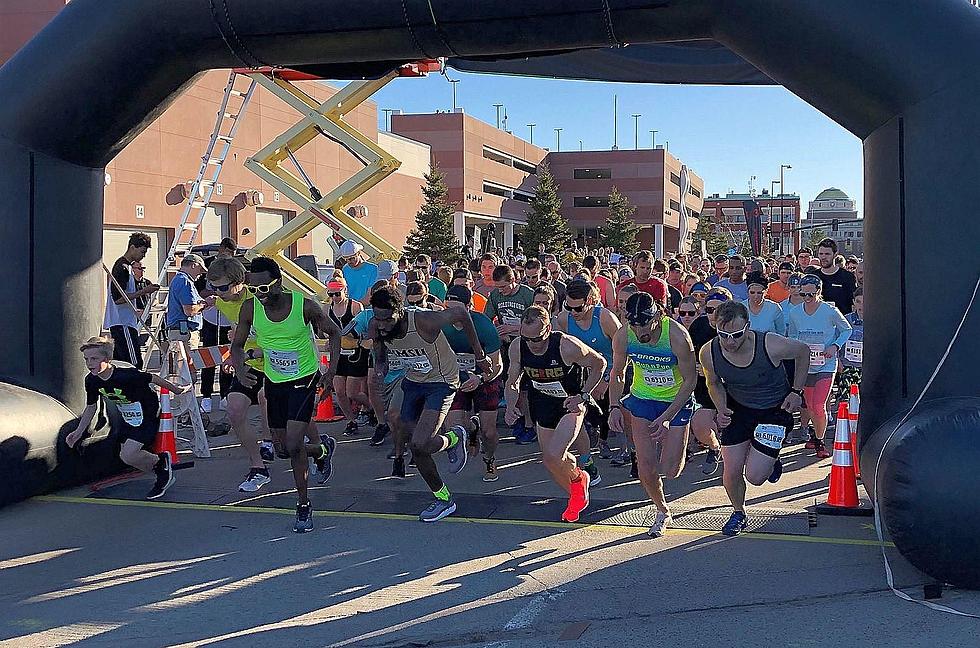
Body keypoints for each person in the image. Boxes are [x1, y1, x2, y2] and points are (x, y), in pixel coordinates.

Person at [231, 256, 341, 533]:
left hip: (304, 379)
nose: (260, 296)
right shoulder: (249, 308)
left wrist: (330, 374)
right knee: (282, 450)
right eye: (253, 290)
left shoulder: (303, 306)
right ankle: (322, 448)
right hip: (275, 381)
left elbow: (334, 333)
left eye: (264, 289)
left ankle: (303, 505)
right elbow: (237, 346)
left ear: (278, 283)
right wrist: (240, 367)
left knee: (293, 445)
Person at [368, 286, 490, 521]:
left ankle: (446, 491)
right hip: (413, 380)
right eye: (378, 318)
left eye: (387, 319)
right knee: (407, 434)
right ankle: (453, 449)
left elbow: (462, 315)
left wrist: (480, 355)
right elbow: (379, 349)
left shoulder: (424, 321)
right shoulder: (377, 326)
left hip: (441, 381)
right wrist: (381, 369)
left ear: (400, 311)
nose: (381, 324)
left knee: (419, 445)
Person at [700, 301, 810, 536]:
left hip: (774, 409)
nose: (730, 342)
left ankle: (769, 458)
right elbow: (713, 382)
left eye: (737, 335)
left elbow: (803, 351)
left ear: (748, 327)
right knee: (731, 469)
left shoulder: (769, 343)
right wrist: (721, 409)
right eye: (724, 335)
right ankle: (738, 512)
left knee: (756, 477)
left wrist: (797, 391)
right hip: (739, 408)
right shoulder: (708, 352)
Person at [505, 305, 607, 522]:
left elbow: (600, 363)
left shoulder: (567, 346)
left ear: (548, 329)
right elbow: (512, 381)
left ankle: (578, 486)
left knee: (554, 454)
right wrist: (511, 405)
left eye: (537, 339)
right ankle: (578, 485)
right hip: (543, 403)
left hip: (570, 404)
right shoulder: (518, 347)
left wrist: (583, 395)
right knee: (550, 461)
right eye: (527, 338)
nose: (532, 345)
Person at [608, 291, 697, 537]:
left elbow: (690, 380)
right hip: (643, 400)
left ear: (657, 315)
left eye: (644, 324)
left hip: (675, 401)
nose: (639, 331)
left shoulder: (677, 336)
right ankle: (662, 510)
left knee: (671, 470)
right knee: (645, 467)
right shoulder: (624, 335)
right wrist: (614, 406)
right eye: (634, 325)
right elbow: (617, 373)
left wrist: (668, 416)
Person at [66, 336, 190, 500]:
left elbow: (152, 378)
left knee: (128, 455)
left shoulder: (126, 375)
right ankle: (160, 464)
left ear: (107, 359)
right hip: (128, 417)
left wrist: (176, 390)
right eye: (86, 359)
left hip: (148, 413)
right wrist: (79, 431)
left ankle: (161, 466)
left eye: (94, 359)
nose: (90, 363)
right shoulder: (91, 380)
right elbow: (91, 406)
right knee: (126, 456)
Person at [206, 257, 277, 491]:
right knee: (234, 409)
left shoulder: (258, 299)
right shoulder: (221, 303)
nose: (218, 293)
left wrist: (254, 350)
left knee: (268, 401)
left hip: (276, 362)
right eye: (213, 287)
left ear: (240, 283)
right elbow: (238, 330)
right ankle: (258, 467)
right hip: (250, 362)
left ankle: (317, 445)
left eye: (223, 287)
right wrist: (231, 355)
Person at [556, 278, 620, 470]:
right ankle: (587, 439)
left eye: (578, 308)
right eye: (569, 307)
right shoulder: (563, 319)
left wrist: (607, 380)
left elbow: (623, 352)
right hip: (581, 374)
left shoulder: (605, 318)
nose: (573, 313)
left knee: (610, 405)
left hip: (610, 370)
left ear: (591, 301)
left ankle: (608, 439)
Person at [786, 274, 852, 458]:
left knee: (818, 404)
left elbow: (847, 329)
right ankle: (816, 434)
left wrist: (835, 346)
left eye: (810, 295)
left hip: (826, 364)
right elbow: (792, 335)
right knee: (810, 405)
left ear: (818, 292)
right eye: (803, 294)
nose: (806, 299)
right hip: (807, 364)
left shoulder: (829, 310)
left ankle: (820, 441)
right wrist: (796, 351)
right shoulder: (795, 313)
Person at [443, 285, 504, 481]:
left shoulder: (484, 325)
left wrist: (479, 378)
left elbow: (498, 365)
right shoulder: (441, 324)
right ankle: (470, 429)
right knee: (454, 427)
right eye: (448, 308)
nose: (452, 314)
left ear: (469, 307)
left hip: (484, 376)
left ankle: (489, 458)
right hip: (455, 377)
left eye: (457, 310)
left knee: (489, 432)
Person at [484, 264, 536, 443]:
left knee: (525, 389)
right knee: (511, 383)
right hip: (507, 345)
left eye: (504, 287)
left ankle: (530, 424)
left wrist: (514, 328)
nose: (501, 291)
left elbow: (539, 322)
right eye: (497, 287)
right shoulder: (496, 296)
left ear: (513, 281)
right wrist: (496, 330)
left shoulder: (528, 294)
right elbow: (487, 319)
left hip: (527, 343)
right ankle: (518, 419)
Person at [104, 232, 159, 369]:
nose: (143, 255)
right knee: (134, 363)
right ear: (132, 247)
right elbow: (118, 299)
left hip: (124, 322)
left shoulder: (127, 267)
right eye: (142, 251)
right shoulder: (122, 268)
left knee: (120, 363)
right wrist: (144, 291)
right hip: (123, 322)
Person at [326, 278, 372, 437]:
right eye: (330, 294)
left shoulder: (355, 306)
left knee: (352, 392)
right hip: (339, 353)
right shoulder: (328, 308)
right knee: (339, 391)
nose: (334, 298)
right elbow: (328, 331)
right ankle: (351, 421)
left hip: (356, 352)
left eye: (337, 294)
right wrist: (329, 341)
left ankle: (372, 408)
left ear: (345, 291)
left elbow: (364, 329)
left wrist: (358, 339)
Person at [165, 253, 210, 344]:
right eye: (200, 269)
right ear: (193, 265)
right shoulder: (185, 281)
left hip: (180, 331)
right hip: (185, 333)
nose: (201, 274)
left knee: (179, 358)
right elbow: (190, 311)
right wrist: (205, 304)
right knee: (188, 358)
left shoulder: (179, 279)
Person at [814, 237, 857, 314]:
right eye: (821, 254)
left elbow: (853, 302)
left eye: (827, 254)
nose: (823, 257)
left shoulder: (847, 277)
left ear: (835, 255)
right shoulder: (813, 276)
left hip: (841, 321)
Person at [837, 287, 864, 394]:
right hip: (847, 366)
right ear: (854, 302)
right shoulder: (845, 320)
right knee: (845, 399)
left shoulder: (876, 321)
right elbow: (835, 341)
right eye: (858, 302)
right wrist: (838, 362)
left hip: (866, 368)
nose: (861, 305)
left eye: (864, 302)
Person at [339, 240, 378, 304]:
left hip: (365, 308)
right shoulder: (345, 269)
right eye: (346, 259)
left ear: (359, 253)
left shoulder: (373, 269)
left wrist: (356, 307)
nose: (349, 262)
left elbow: (370, 295)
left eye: (351, 258)